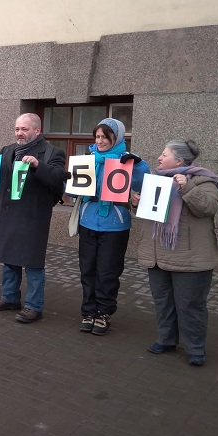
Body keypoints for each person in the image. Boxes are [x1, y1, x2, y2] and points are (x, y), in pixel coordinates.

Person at [132, 140, 218, 366]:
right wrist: (136, 202)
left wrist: (187, 186)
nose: (159, 158)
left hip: (190, 258)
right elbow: (151, 214)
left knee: (190, 305)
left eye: (164, 154)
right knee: (163, 301)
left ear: (179, 160)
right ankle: (166, 339)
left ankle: (195, 348)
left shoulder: (205, 180)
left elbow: (207, 208)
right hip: (158, 254)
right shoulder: (157, 181)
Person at [0, 113, 67, 323]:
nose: (19, 133)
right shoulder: (7, 150)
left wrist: (38, 165)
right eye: (17, 129)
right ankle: (10, 297)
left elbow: (59, 179)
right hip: (8, 214)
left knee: (33, 264)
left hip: (32, 217)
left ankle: (33, 306)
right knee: (9, 259)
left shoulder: (52, 152)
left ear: (37, 131)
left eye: (24, 129)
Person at [76, 118, 150, 335]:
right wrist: (69, 179)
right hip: (88, 221)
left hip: (115, 225)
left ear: (115, 138)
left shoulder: (129, 162)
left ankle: (104, 313)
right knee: (87, 269)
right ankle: (88, 312)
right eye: (97, 136)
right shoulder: (89, 159)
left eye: (104, 137)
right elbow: (73, 191)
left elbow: (143, 188)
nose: (99, 141)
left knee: (108, 271)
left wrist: (136, 166)